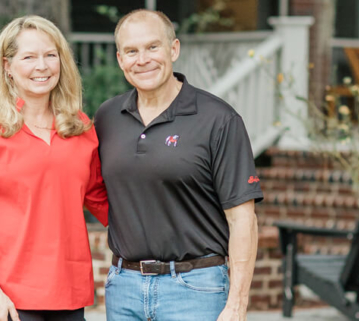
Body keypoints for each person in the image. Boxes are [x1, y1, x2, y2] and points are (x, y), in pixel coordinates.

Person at [94, 9, 264, 321]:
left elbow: (243, 221)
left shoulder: (218, 119)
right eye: (131, 51)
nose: (142, 59)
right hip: (124, 287)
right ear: (120, 59)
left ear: (174, 49)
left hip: (196, 288)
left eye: (152, 47)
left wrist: (237, 304)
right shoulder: (107, 117)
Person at [0, 15, 108, 321]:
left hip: (69, 290)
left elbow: (103, 199)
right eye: (29, 57)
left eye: (51, 55)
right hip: (9, 295)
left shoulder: (79, 126)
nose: (42, 66)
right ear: (7, 66)